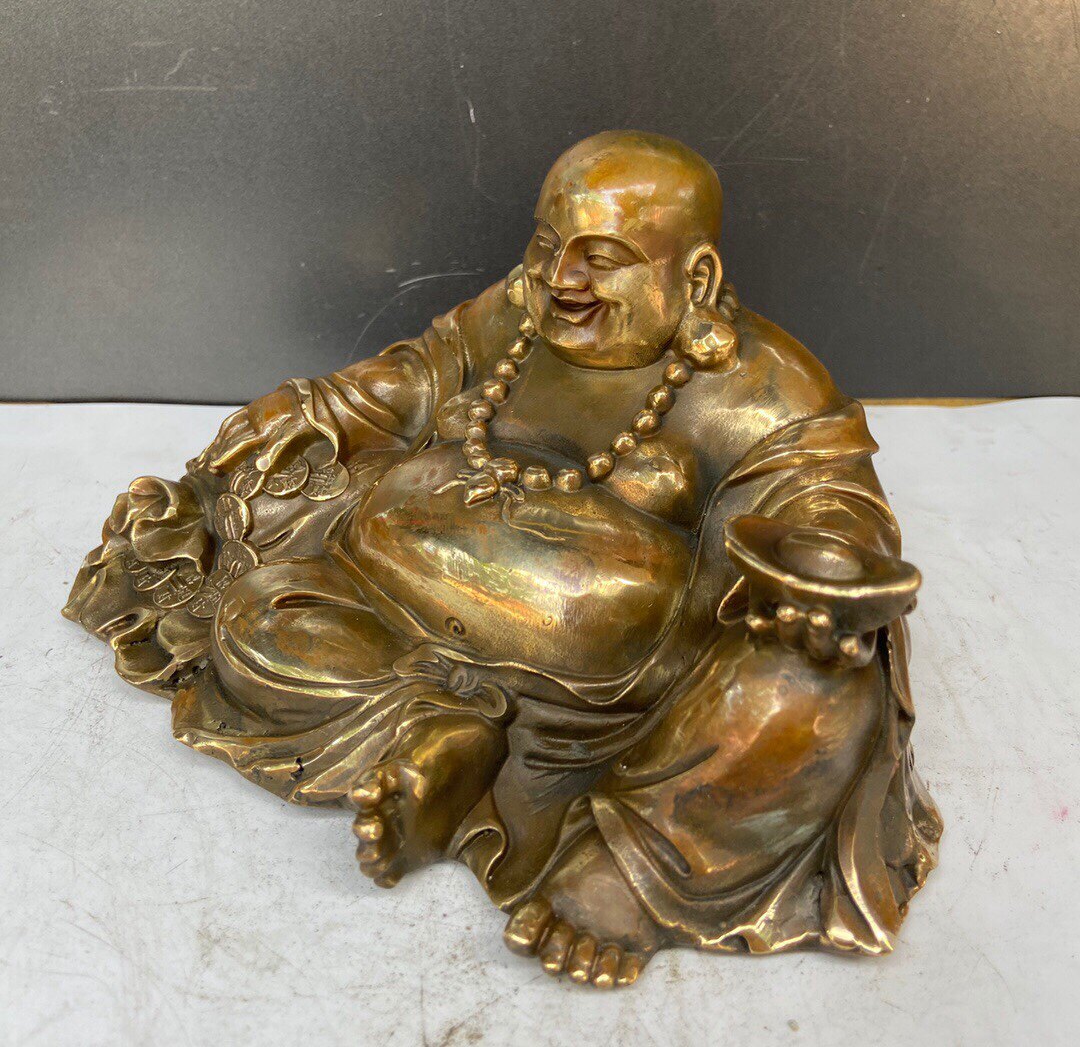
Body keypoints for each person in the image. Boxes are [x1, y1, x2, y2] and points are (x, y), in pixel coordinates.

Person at [64, 131, 941, 988]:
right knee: (254, 617)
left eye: (601, 258)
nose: (562, 280)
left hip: (632, 689)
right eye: (548, 245)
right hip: (393, 602)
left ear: (697, 279)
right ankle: (441, 736)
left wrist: (827, 577)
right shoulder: (519, 311)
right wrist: (319, 406)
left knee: (824, 681)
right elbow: (423, 373)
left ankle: (629, 867)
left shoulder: (769, 389)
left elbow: (831, 505)